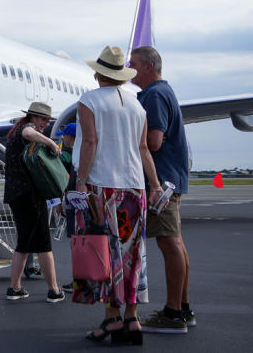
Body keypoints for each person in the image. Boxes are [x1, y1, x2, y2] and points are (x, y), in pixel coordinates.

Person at [68, 45, 162, 345]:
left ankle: (111, 319)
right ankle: (132, 318)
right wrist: (155, 184)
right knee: (133, 253)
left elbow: (90, 142)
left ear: (98, 73)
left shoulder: (89, 100)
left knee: (104, 251)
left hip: (102, 186)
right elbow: (144, 148)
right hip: (134, 187)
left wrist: (81, 181)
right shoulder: (137, 105)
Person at [130, 46, 194, 334]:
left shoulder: (154, 94)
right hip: (171, 179)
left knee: (169, 244)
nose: (129, 69)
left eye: (133, 64)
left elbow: (153, 142)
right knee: (175, 243)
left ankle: (173, 313)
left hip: (162, 182)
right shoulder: (161, 92)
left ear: (148, 67)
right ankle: (182, 307)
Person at [3, 101, 66, 303]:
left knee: (26, 243)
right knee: (41, 244)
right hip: (28, 194)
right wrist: (50, 143)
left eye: (47, 121)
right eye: (42, 120)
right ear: (32, 117)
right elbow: (29, 133)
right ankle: (52, 290)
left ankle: (17, 287)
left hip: (17, 194)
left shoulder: (16, 132)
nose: (45, 124)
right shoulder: (25, 129)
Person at [55, 122, 78, 293]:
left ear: (71, 136)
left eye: (65, 135)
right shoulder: (79, 153)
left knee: (77, 242)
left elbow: (65, 180)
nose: (63, 137)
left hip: (75, 203)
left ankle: (80, 279)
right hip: (78, 202)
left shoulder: (70, 155)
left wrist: (60, 201)